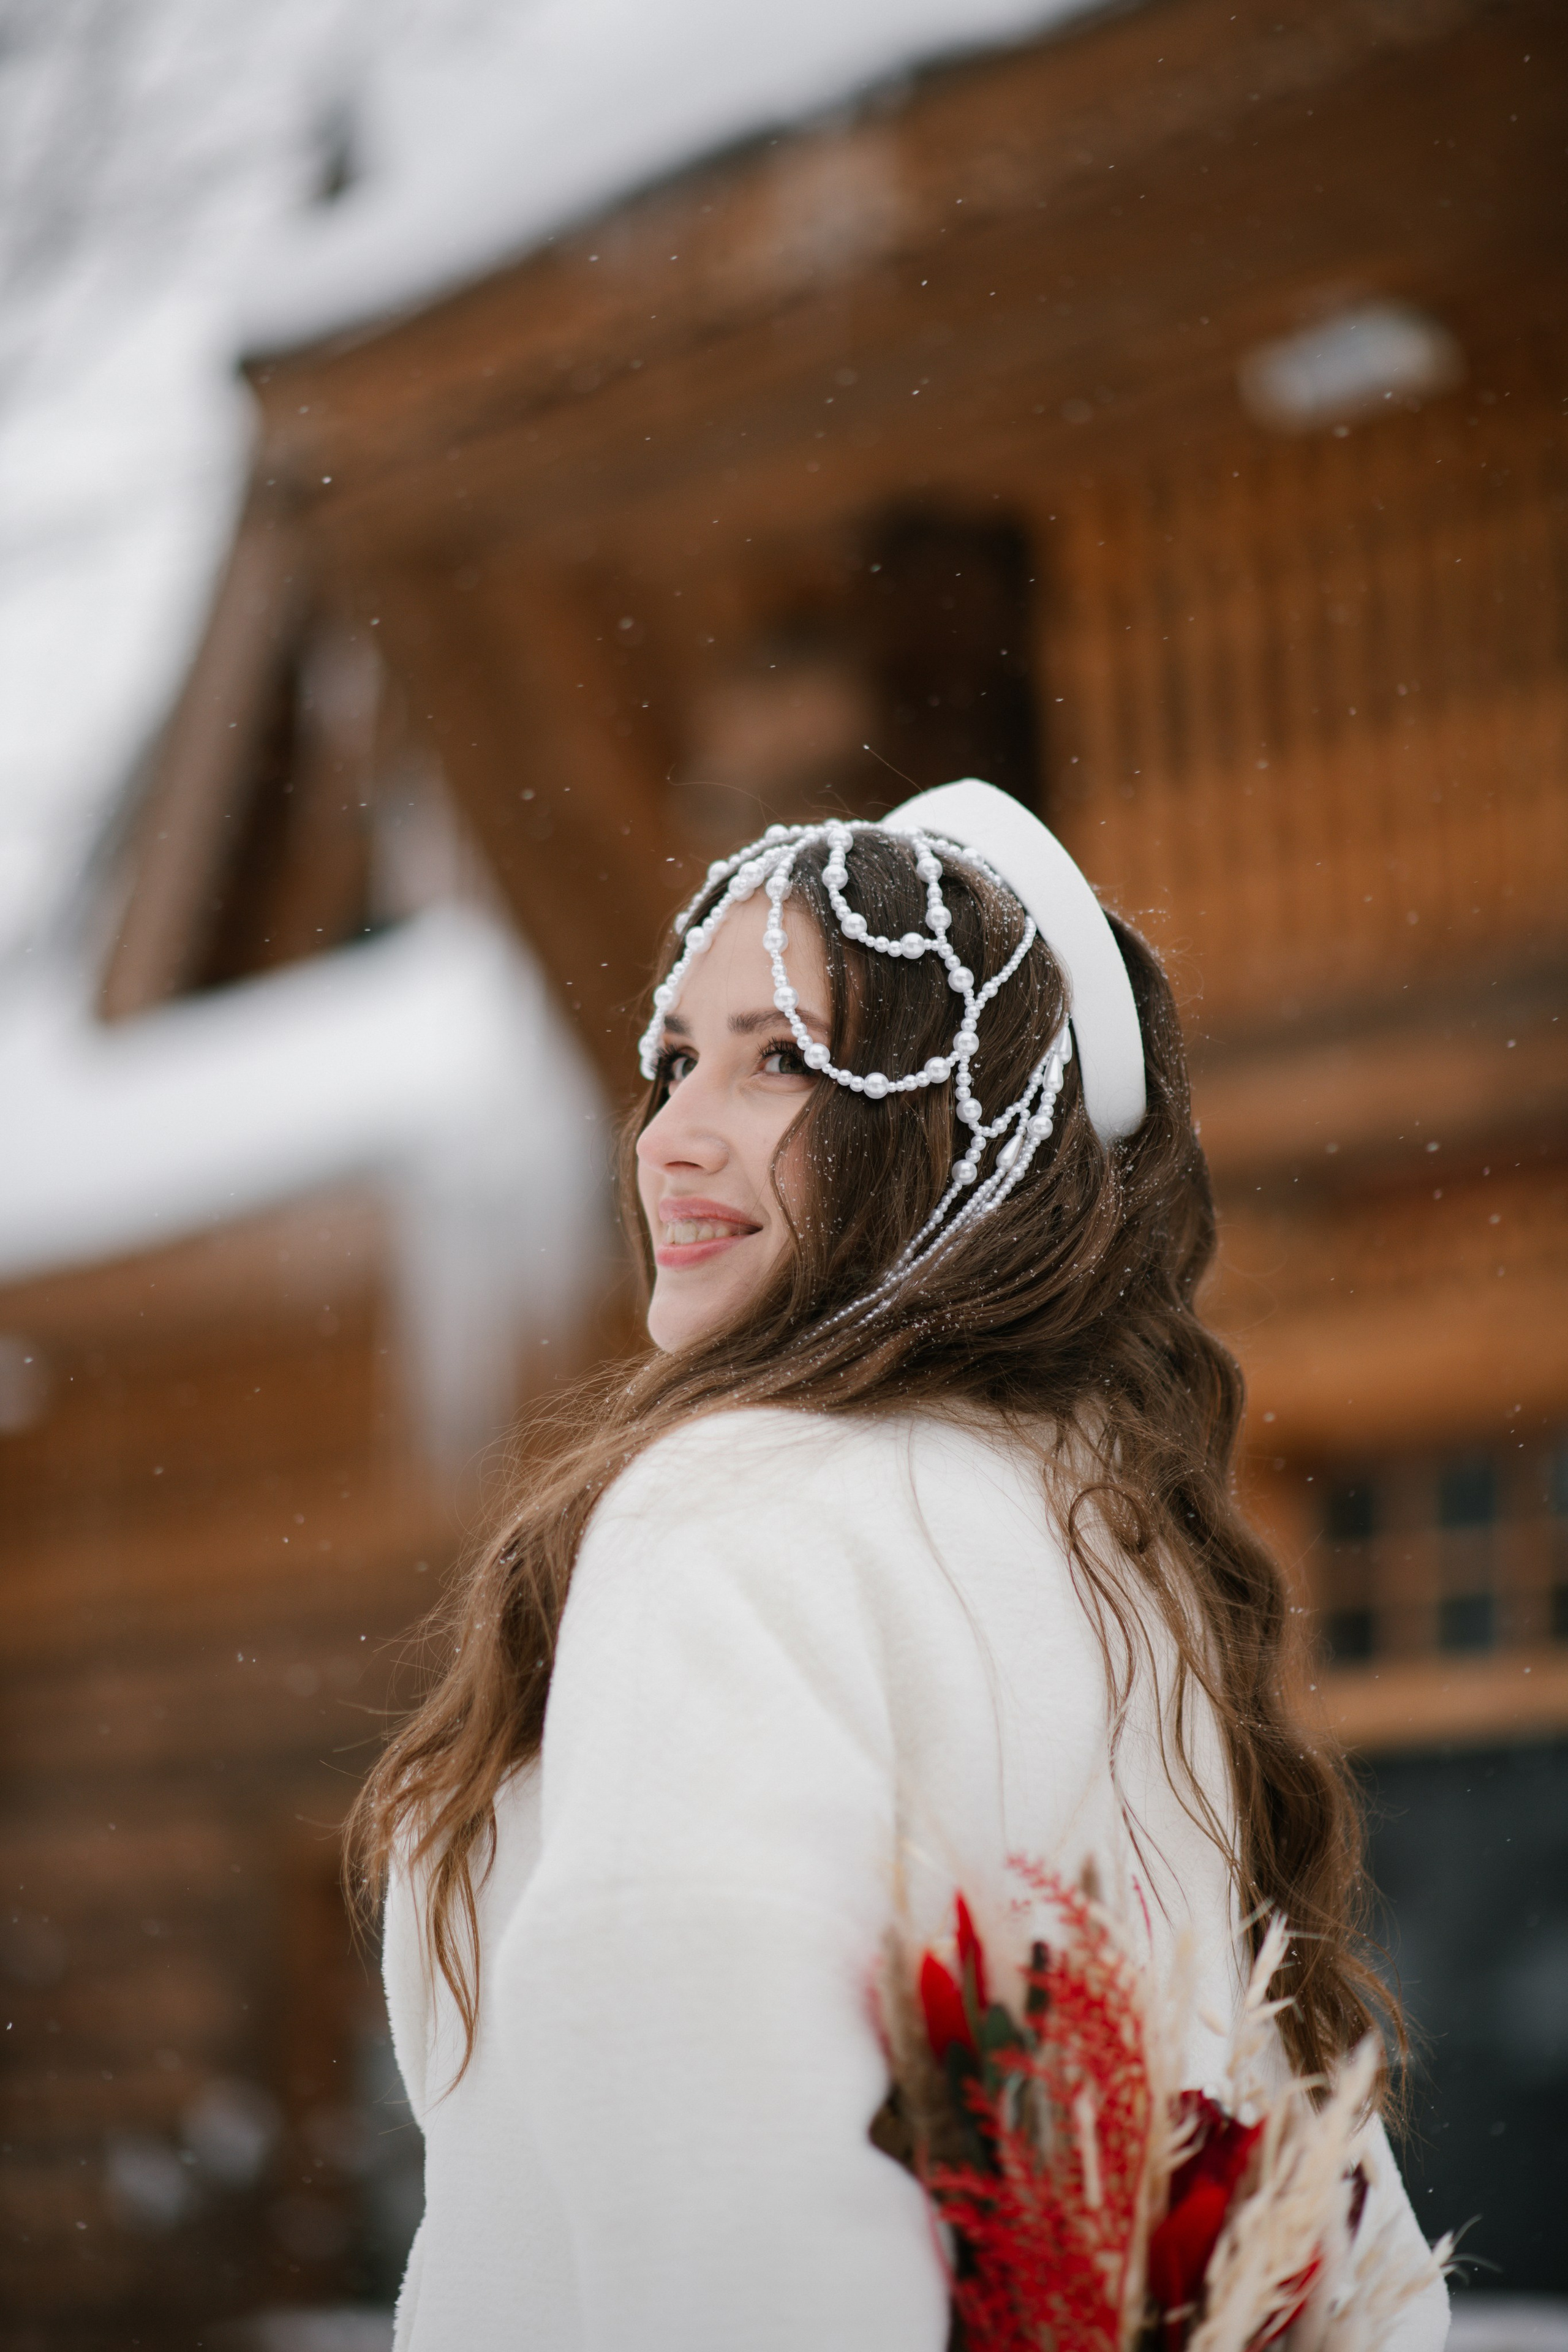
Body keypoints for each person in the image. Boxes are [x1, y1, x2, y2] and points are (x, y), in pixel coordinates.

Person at [352, 781, 1449, 2352]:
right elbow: (1321, 2202)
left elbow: (698, 2100)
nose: (670, 1138)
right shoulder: (1118, 1555)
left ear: (951, 1119)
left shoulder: (733, 1511)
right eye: (673, 1062)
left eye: (780, 1059)